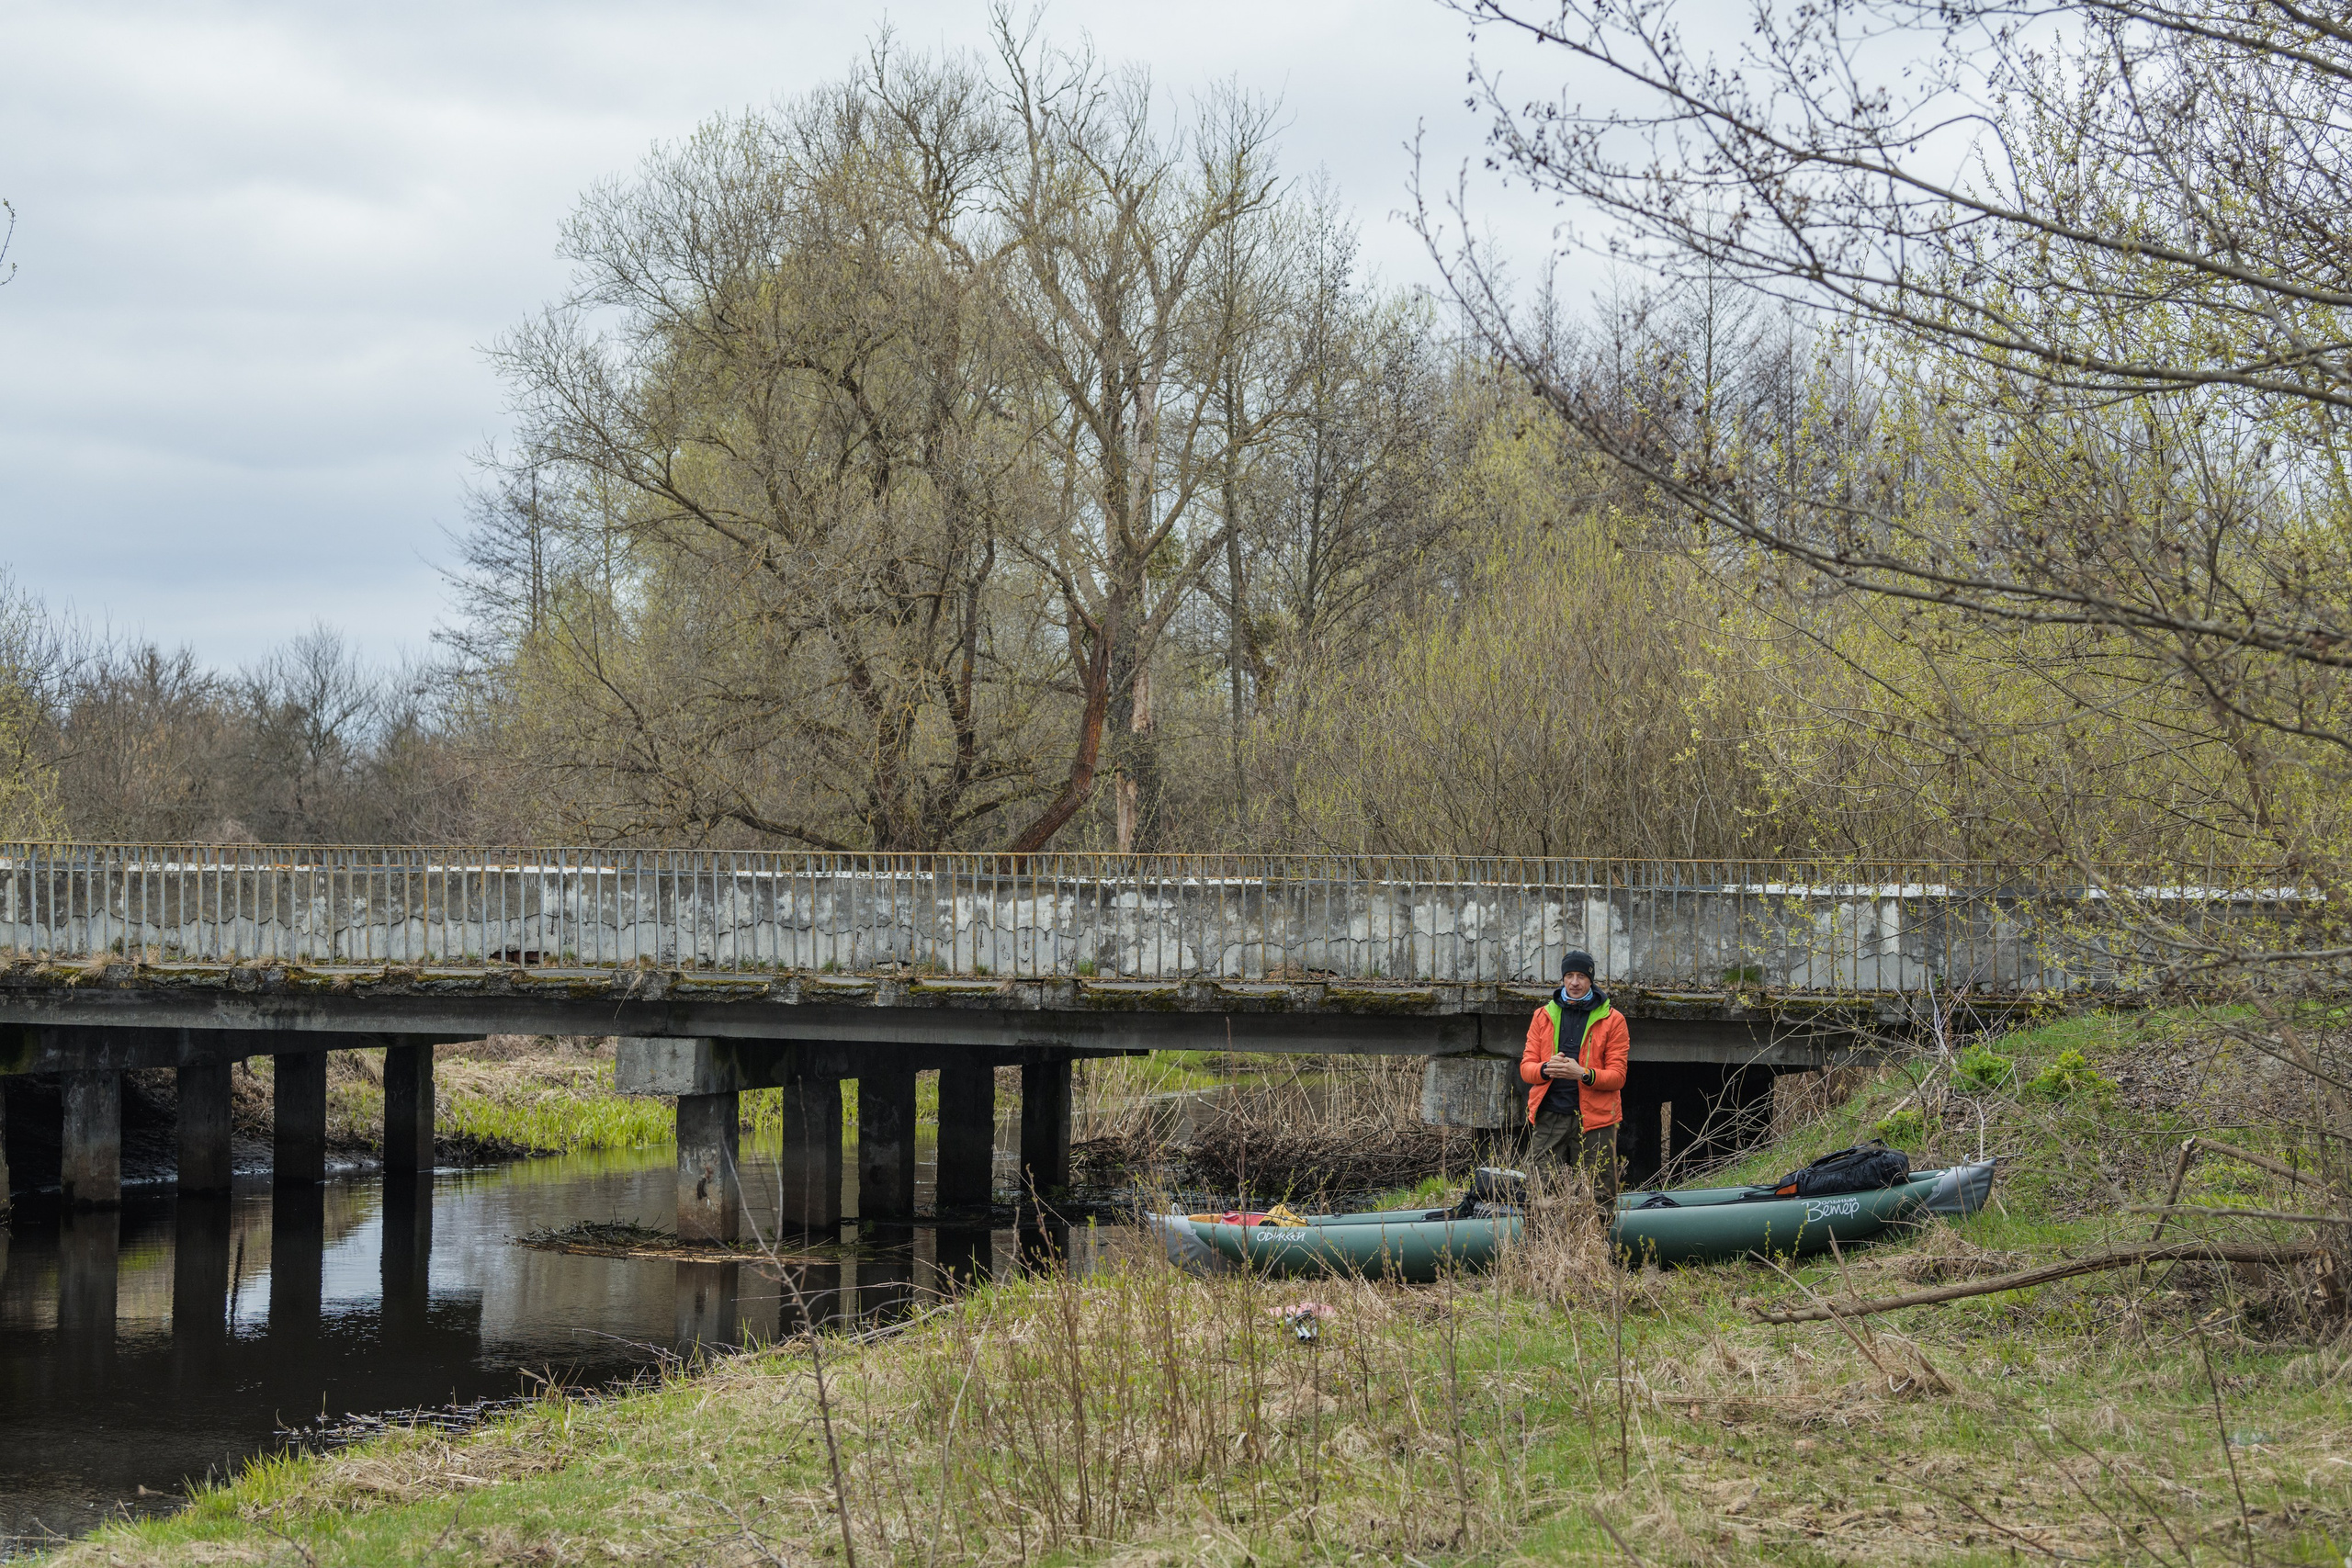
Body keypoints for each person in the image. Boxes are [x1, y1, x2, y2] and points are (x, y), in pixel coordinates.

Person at [1520, 949, 1629, 1208]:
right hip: (1551, 1114)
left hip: (1595, 1119)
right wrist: (1546, 1069)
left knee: (1600, 1191)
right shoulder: (1542, 1016)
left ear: (1591, 980)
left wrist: (1583, 1074)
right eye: (1569, 975)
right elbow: (1526, 1069)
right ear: (1563, 979)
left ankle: (1596, 1246)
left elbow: (1618, 1077)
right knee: (1538, 1186)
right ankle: (1542, 1246)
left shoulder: (1613, 1020)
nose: (1575, 982)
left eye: (1581, 976)